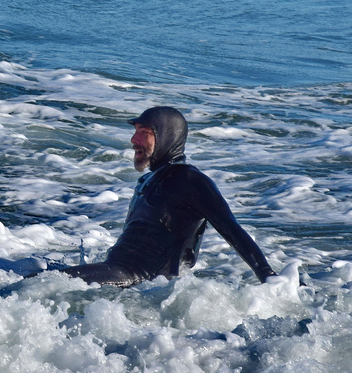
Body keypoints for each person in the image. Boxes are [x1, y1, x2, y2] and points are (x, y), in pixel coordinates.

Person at [57, 106, 276, 286]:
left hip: (139, 279)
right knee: (40, 276)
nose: (134, 139)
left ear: (167, 136)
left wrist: (269, 277)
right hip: (120, 274)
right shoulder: (149, 179)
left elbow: (232, 229)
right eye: (135, 131)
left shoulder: (190, 180)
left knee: (40, 284)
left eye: (145, 132)